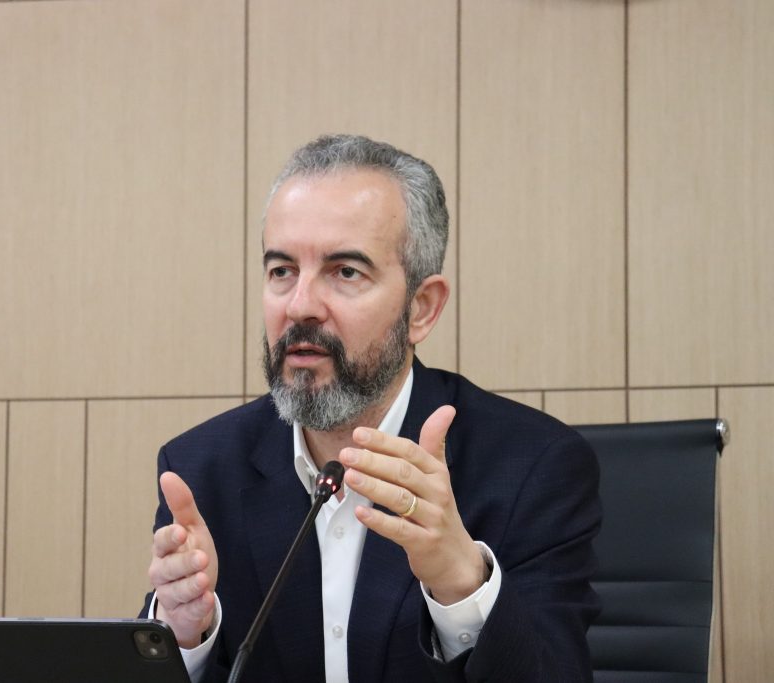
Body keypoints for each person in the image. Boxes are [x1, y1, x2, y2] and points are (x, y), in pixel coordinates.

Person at [141, 134, 601, 682]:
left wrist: (463, 585)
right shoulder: (201, 471)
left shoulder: (532, 467)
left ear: (421, 308)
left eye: (345, 272)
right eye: (282, 270)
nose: (300, 306)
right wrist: (185, 637)